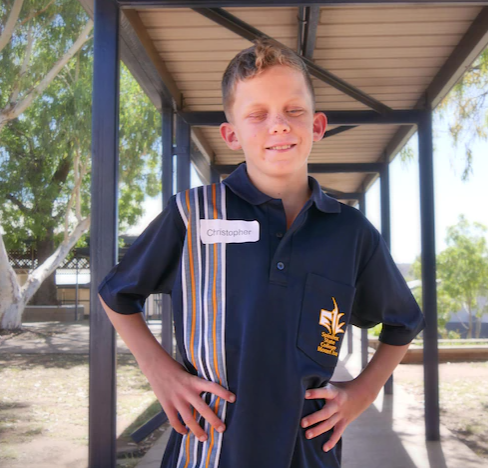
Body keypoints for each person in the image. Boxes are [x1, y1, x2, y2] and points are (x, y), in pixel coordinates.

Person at [97, 38, 425, 468]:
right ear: (231, 134)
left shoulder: (352, 232)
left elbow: (404, 322)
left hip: (306, 450)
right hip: (208, 446)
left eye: (294, 110)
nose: (279, 125)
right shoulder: (192, 214)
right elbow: (116, 294)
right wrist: (160, 371)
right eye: (257, 114)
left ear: (318, 125)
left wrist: (360, 394)